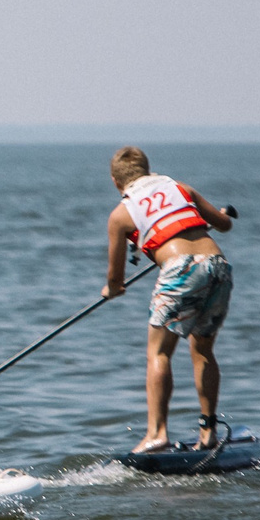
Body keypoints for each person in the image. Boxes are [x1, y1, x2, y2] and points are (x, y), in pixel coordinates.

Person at [103, 147, 234, 452]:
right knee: (203, 350)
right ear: (147, 170)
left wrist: (112, 289)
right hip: (218, 267)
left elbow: (115, 279)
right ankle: (208, 432)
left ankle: (156, 433)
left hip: (181, 270)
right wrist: (222, 216)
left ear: (115, 181)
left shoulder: (121, 215)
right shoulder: (181, 188)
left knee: (159, 353)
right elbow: (224, 225)